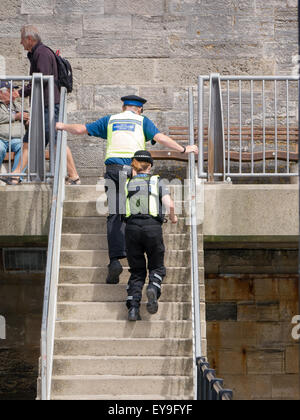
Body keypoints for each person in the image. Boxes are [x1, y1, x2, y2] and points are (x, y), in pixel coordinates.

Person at [56, 94, 198, 284]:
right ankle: (142, 260)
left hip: (114, 171)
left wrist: (62, 126)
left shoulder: (110, 120)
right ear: (139, 109)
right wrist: (183, 149)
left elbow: (80, 129)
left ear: (123, 107)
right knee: (138, 212)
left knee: (115, 213)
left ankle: (115, 260)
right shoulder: (142, 121)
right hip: (134, 173)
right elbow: (160, 138)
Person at [11, 24, 80, 185]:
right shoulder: (40, 53)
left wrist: (20, 92)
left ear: (29, 39)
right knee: (29, 141)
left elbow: (39, 81)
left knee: (56, 142)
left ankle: (74, 175)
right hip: (43, 106)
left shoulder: (41, 53)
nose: (21, 44)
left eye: (22, 40)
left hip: (48, 107)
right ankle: (15, 175)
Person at [124, 150, 178, 321]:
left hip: (131, 228)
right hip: (152, 228)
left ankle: (133, 308)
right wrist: (173, 217)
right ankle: (153, 288)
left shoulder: (127, 183)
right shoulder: (157, 181)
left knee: (137, 271)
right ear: (150, 167)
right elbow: (169, 204)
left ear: (134, 166)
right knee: (156, 266)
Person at [0, 81, 29, 184]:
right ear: (1, 93)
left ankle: (15, 177)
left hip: (16, 139)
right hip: (1, 139)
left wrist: (28, 120)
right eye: (10, 90)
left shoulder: (17, 105)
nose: (14, 93)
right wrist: (15, 116)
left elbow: (25, 116)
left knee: (25, 148)